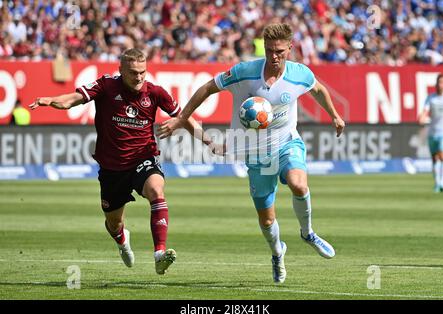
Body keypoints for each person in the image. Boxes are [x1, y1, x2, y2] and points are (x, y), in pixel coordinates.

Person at [158, 23, 345, 283]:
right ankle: (278, 253)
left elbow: (318, 90)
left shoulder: (300, 74)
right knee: (267, 221)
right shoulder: (245, 72)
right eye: (269, 50)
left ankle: (307, 232)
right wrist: (181, 120)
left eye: (279, 51)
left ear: (290, 48)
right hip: (256, 156)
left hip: (287, 143)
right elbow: (206, 89)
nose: (274, 56)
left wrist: (334, 115)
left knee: (298, 185)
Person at [29, 48, 215, 275]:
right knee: (114, 223)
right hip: (112, 168)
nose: (138, 77)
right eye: (133, 73)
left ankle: (159, 253)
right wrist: (51, 101)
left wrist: (209, 142)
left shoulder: (155, 92)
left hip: (143, 158)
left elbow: (184, 117)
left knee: (157, 190)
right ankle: (121, 239)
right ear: (121, 71)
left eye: (142, 72)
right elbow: (74, 99)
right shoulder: (107, 86)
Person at [418, 73, 443, 193]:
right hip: (433, 132)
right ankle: (437, 184)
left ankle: (442, 183)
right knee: (435, 158)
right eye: (438, 82)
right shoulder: (431, 98)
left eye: (442, 82)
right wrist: (421, 117)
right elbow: (425, 111)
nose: (440, 85)